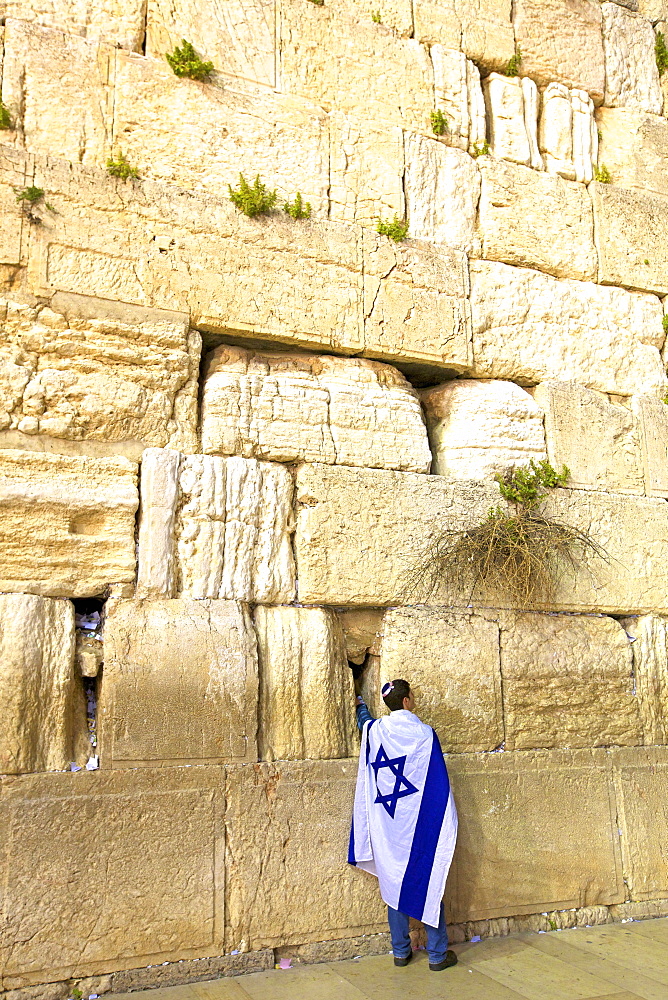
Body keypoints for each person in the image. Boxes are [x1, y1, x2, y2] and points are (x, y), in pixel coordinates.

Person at [349, 679, 458, 972]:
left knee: (394, 882)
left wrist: (360, 705)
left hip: (389, 825)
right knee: (428, 880)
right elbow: (435, 780)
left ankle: (401, 952)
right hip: (417, 823)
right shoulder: (424, 734)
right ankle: (436, 955)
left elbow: (365, 724)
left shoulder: (377, 730)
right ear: (407, 701)